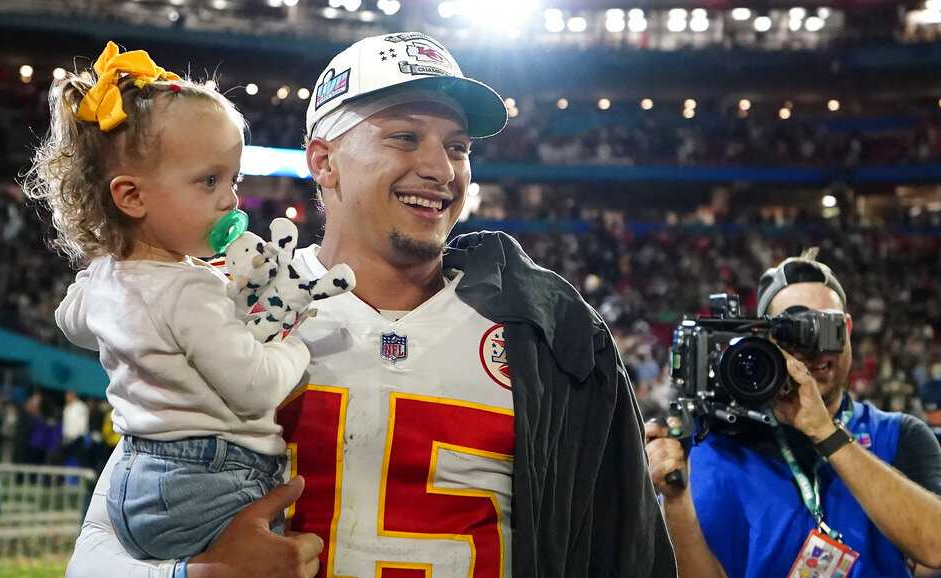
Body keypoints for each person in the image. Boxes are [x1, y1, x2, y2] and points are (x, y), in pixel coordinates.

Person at [66, 31, 675, 578]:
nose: (440, 168)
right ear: (324, 162)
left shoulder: (543, 334)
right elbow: (102, 544)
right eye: (405, 137)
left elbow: (618, 550)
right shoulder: (223, 300)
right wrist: (198, 576)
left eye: (458, 147)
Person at [24, 41, 344, 562]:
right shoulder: (187, 291)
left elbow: (70, 320)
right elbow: (255, 388)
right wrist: (296, 344)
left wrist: (102, 269)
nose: (231, 199)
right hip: (210, 482)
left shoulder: (108, 279)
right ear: (131, 196)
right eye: (209, 181)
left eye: (233, 179)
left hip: (134, 481)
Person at [646, 249, 941, 578]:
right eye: (793, 330)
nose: (815, 347)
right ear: (766, 338)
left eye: (827, 327)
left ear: (848, 326)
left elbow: (936, 547)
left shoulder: (899, 435)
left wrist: (827, 433)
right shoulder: (713, 449)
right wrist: (676, 502)